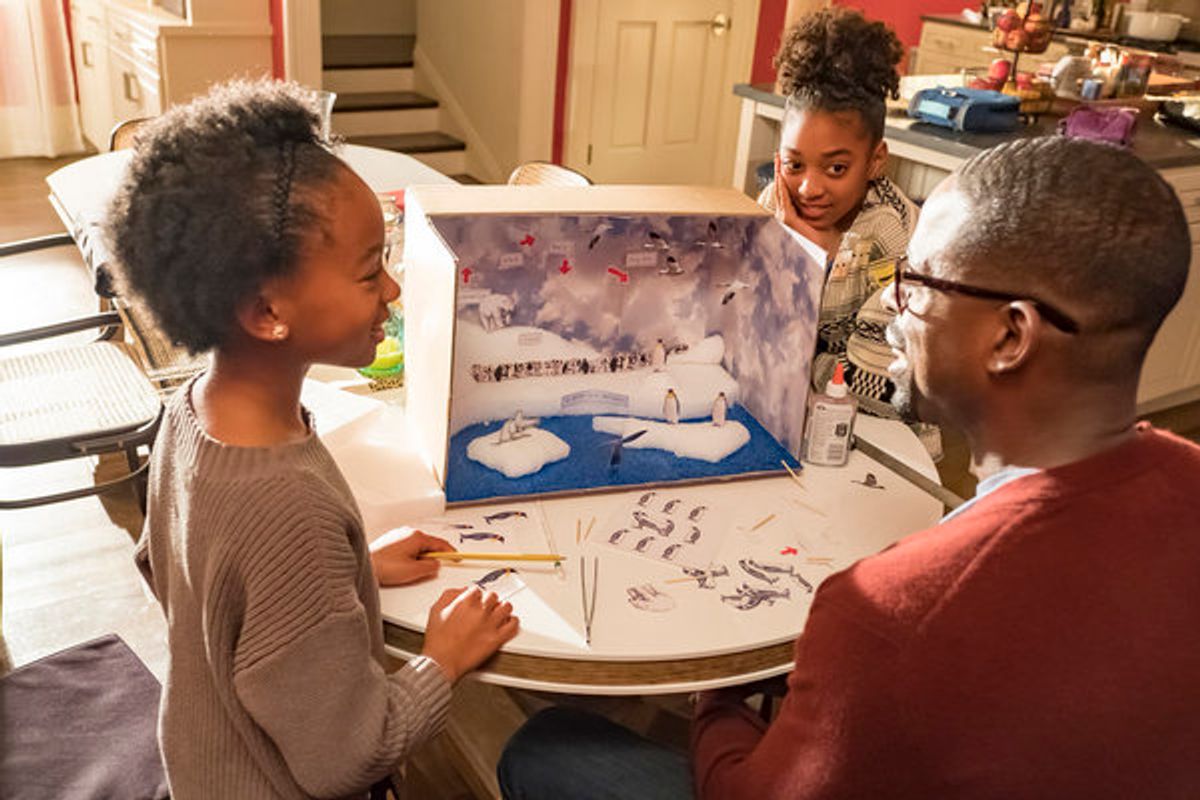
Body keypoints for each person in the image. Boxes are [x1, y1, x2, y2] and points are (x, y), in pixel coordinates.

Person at [499, 137, 1200, 798]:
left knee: (546, 745)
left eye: (917, 283)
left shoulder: (888, 613)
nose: (892, 306)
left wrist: (716, 696)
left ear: (1009, 336)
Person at [105, 80, 519, 799]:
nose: (391, 291)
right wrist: (442, 662)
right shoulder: (284, 503)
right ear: (268, 310)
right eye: (369, 271)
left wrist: (348, 573)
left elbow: (181, 577)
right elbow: (349, 757)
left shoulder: (189, 409)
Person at [762, 8, 919, 419]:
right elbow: (747, 323)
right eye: (794, 165)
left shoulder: (891, 236)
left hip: (882, 438)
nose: (809, 188)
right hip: (792, 412)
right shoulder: (773, 204)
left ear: (874, 161)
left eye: (835, 168)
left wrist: (821, 262)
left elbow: (880, 386)